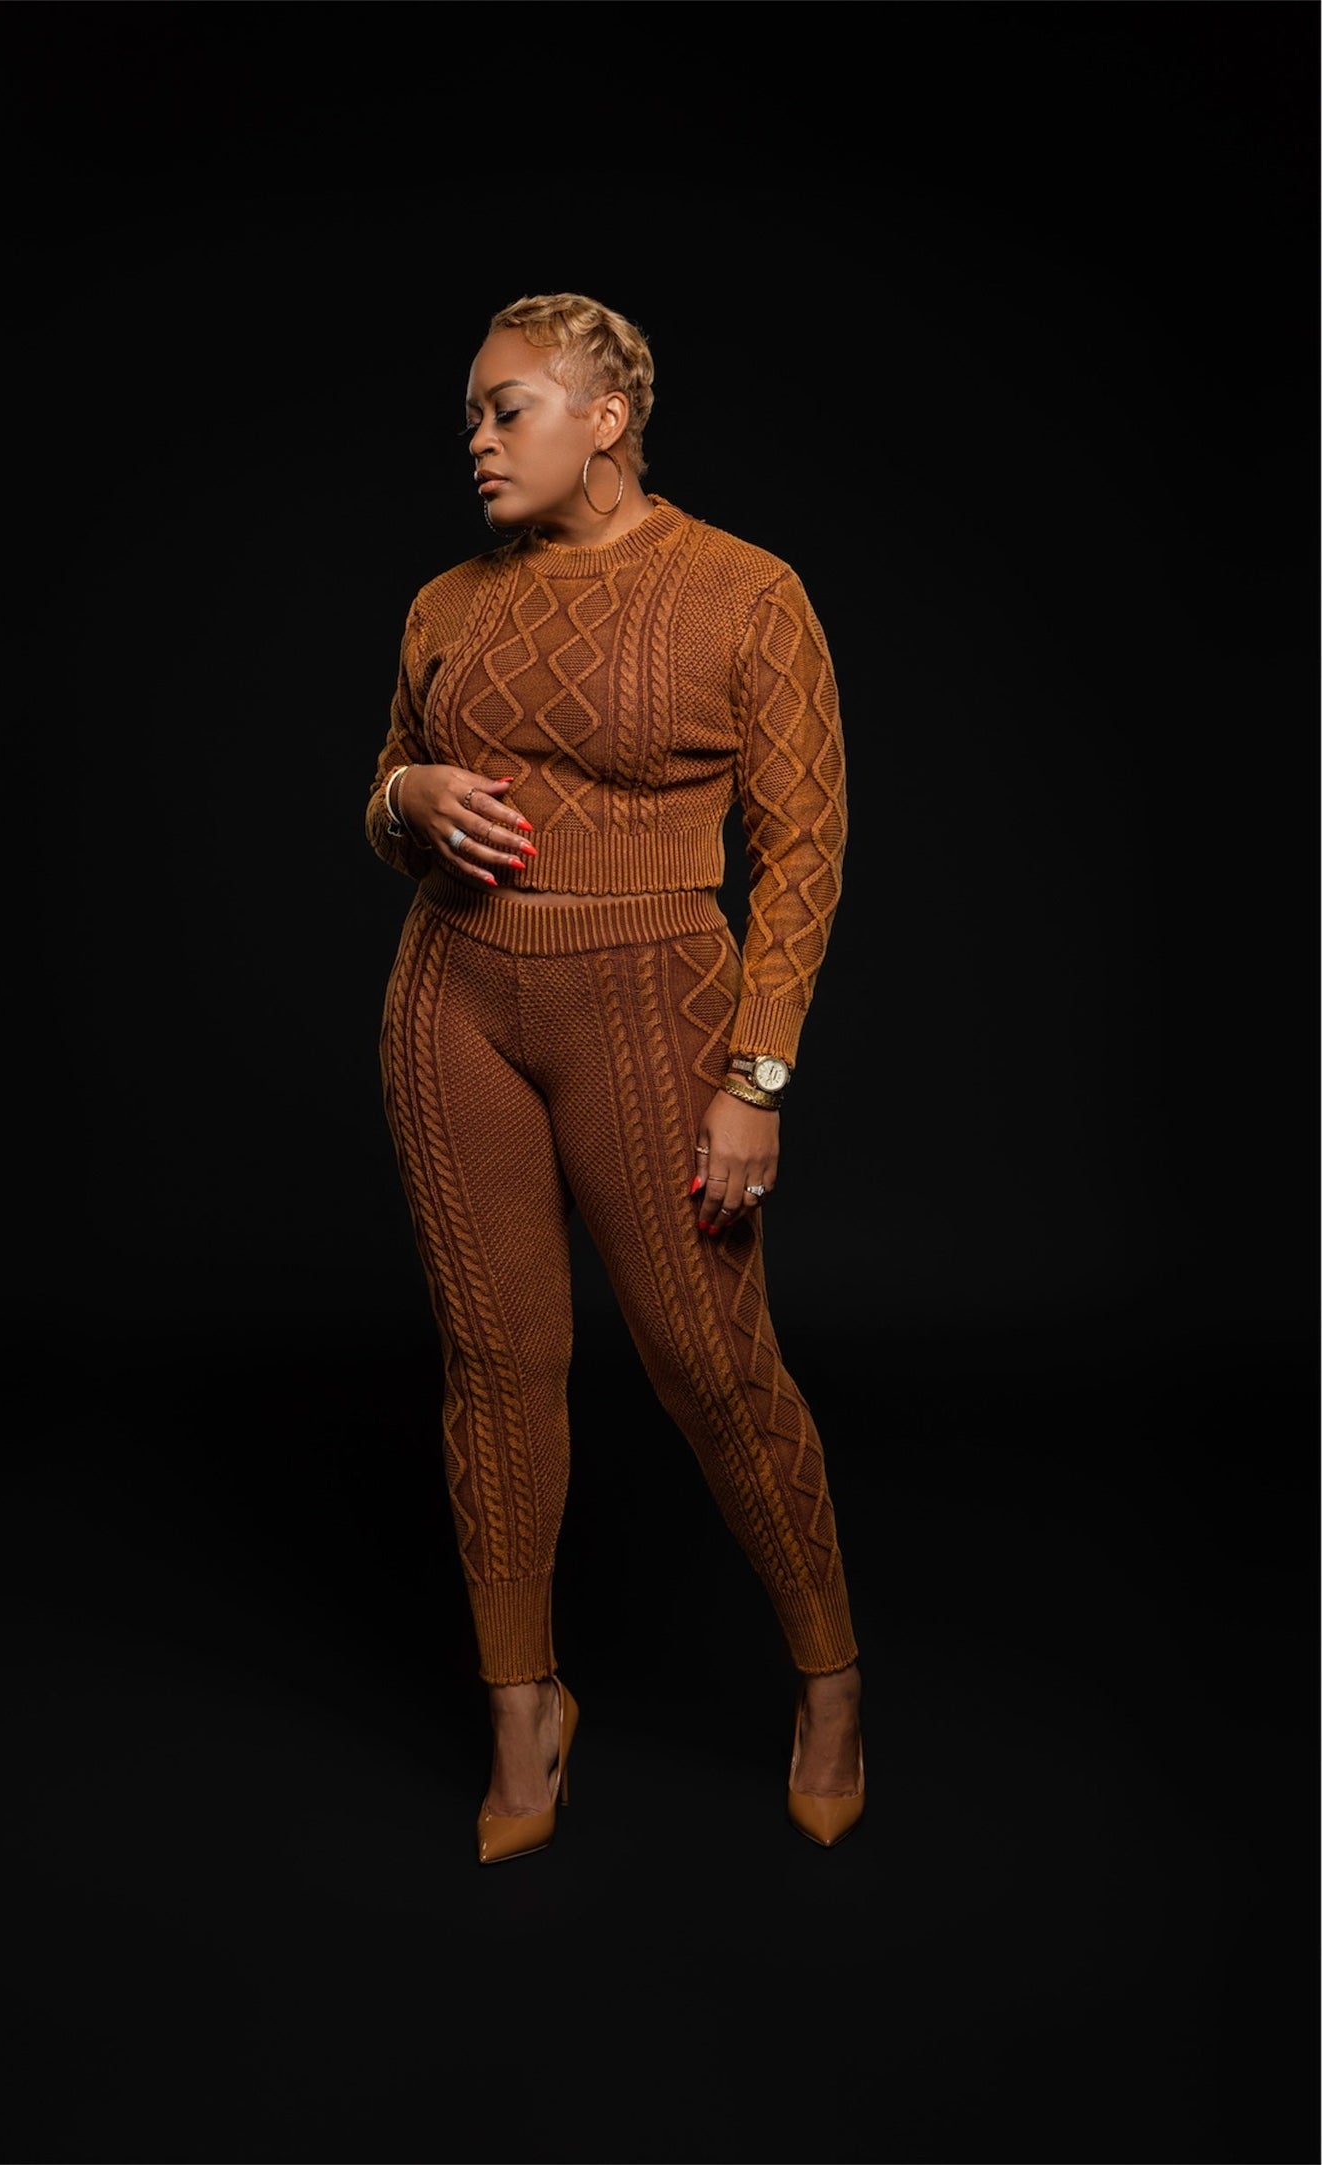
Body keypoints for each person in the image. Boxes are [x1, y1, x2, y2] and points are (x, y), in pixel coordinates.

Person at [364, 292, 864, 1864]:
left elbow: (803, 852)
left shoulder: (744, 590)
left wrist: (755, 1075)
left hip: (654, 1010)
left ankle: (830, 1680)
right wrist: (406, 797)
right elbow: (381, 791)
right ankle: (522, 1710)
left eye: (504, 406)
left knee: (708, 1365)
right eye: (469, 412)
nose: (475, 438)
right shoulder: (444, 601)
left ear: (605, 415)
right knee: (494, 1364)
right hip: (452, 997)